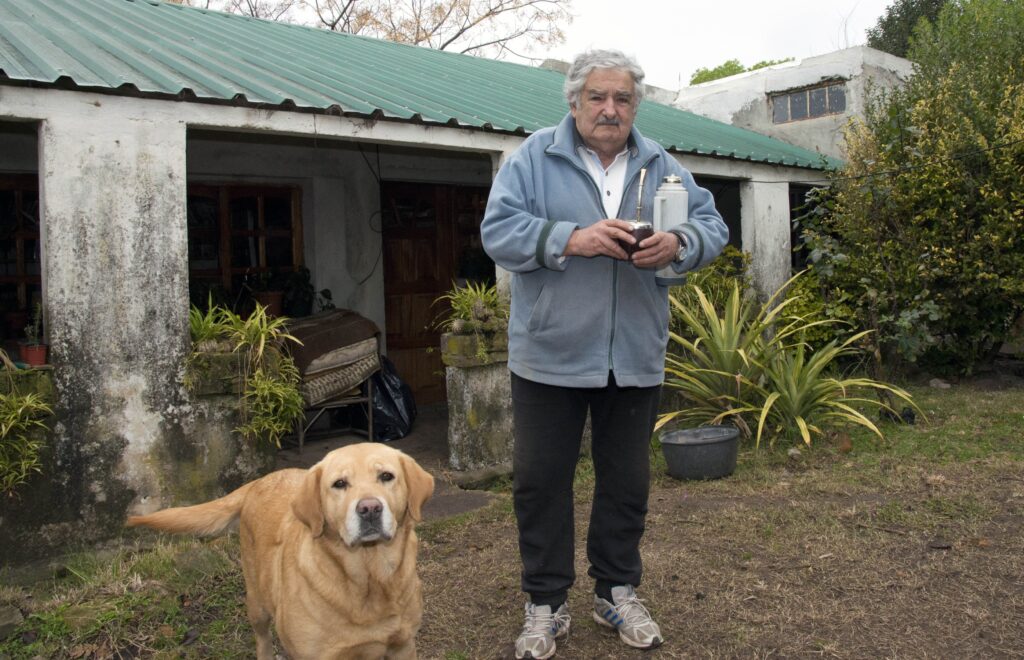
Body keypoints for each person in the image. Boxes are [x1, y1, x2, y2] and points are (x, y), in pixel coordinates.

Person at [480, 49, 729, 658]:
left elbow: (713, 227)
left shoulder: (661, 162)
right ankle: (545, 603)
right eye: (598, 97)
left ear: (636, 105)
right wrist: (573, 237)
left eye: (622, 98)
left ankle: (616, 591)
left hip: (634, 353)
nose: (610, 109)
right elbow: (497, 231)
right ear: (574, 101)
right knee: (541, 482)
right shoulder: (534, 158)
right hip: (549, 355)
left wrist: (679, 242)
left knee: (625, 482)